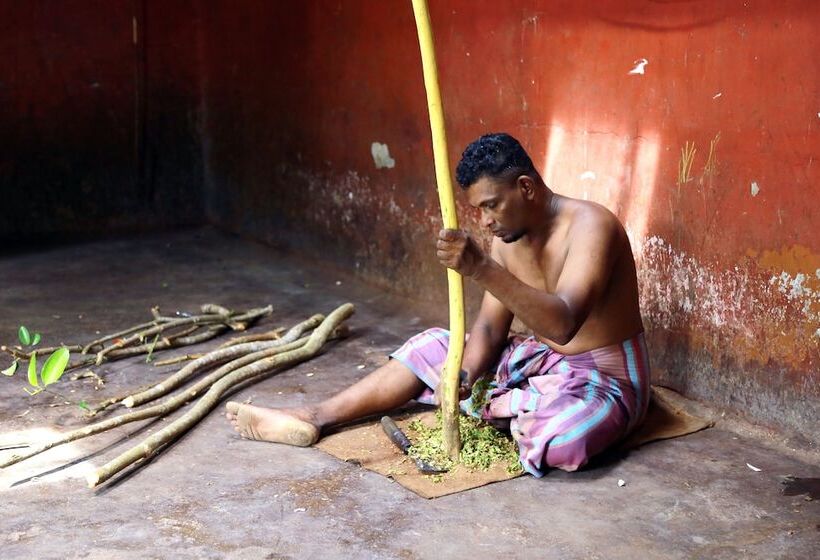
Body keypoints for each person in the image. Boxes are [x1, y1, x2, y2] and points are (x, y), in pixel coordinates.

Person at [226, 132, 650, 476]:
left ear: (526, 187)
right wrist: (463, 375)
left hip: (605, 376)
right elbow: (488, 329)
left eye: (490, 206)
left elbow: (563, 324)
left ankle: (512, 407)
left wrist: (481, 268)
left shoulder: (592, 225)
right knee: (433, 347)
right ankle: (314, 415)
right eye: (478, 210)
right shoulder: (507, 240)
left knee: (564, 440)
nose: (484, 221)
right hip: (540, 361)